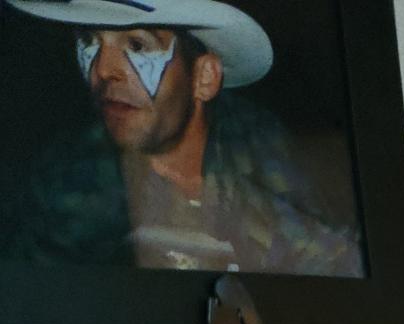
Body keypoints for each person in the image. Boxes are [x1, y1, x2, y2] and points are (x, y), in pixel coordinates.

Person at [2, 0, 361, 276]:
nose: (104, 70)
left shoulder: (270, 171)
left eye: (138, 46)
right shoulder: (59, 195)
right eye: (89, 42)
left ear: (204, 77)